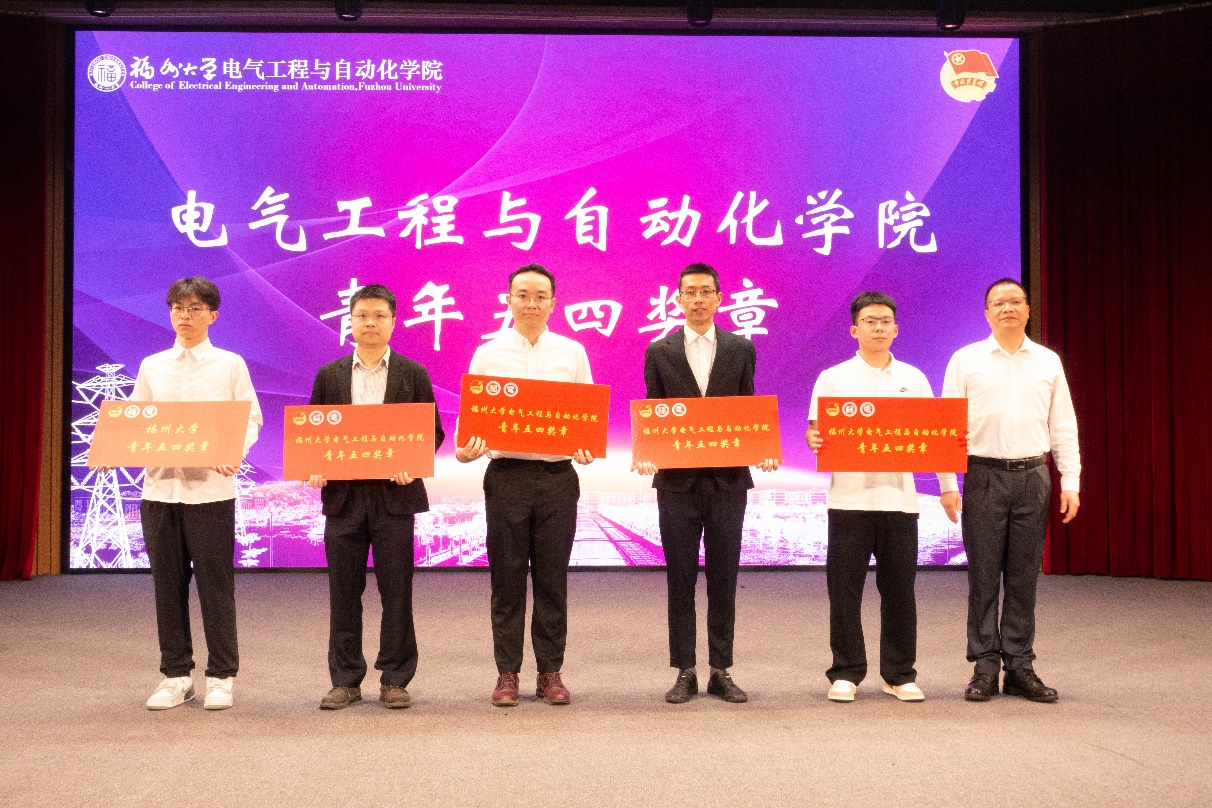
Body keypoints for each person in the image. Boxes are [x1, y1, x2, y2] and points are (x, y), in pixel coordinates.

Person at [115, 276, 263, 711]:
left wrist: (234, 452)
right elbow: (136, 421)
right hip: (160, 491)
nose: (185, 316)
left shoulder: (229, 364)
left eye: (195, 308)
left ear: (212, 315)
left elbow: (250, 419)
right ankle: (176, 675)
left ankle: (221, 676)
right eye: (178, 308)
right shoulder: (152, 365)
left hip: (210, 492)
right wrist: (114, 448)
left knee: (215, 587)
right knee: (167, 586)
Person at [634, 263, 779, 705]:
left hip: (727, 481)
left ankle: (721, 669)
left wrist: (762, 447)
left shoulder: (741, 348)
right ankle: (685, 670)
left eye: (706, 291)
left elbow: (747, 408)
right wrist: (647, 452)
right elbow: (654, 409)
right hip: (676, 483)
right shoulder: (659, 351)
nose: (698, 299)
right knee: (679, 578)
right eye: (690, 292)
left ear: (719, 298)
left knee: (724, 576)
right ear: (678, 299)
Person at [806, 291, 959, 703]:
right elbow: (816, 432)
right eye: (870, 321)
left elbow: (934, 437)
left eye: (885, 321)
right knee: (844, 592)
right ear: (854, 330)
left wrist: (948, 487)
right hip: (848, 502)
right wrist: (814, 438)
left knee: (900, 592)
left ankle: (899, 673)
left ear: (895, 329)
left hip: (900, 503)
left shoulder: (914, 378)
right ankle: (846, 672)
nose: (878, 328)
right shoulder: (833, 378)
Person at [455, 264, 595, 707]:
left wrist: (586, 445)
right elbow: (466, 433)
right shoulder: (488, 354)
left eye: (540, 296)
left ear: (554, 302)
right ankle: (507, 673)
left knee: (553, 579)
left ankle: (550, 672)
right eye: (522, 295)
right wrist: (467, 450)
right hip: (506, 477)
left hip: (557, 478)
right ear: (508, 300)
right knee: (507, 578)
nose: (531, 303)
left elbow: (586, 418)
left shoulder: (572, 352)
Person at [306, 284, 445, 710]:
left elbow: (433, 431)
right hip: (343, 499)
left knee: (396, 591)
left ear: (393, 321)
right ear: (349, 321)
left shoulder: (413, 373)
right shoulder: (329, 375)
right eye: (362, 315)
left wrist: (413, 462)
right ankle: (345, 680)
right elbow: (312, 434)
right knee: (343, 592)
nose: (370, 323)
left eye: (379, 315)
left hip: (394, 497)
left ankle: (395, 679)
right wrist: (314, 466)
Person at [942, 278, 1080, 703]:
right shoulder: (965, 360)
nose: (1008, 308)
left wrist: (1070, 480)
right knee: (983, 577)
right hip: (983, 475)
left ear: (1028, 310)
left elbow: (1063, 425)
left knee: (1023, 578)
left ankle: (1020, 666)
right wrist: (947, 484)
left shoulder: (1048, 362)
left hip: (1033, 476)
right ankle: (984, 667)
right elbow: (948, 427)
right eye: (998, 303)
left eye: (1015, 301)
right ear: (986, 313)